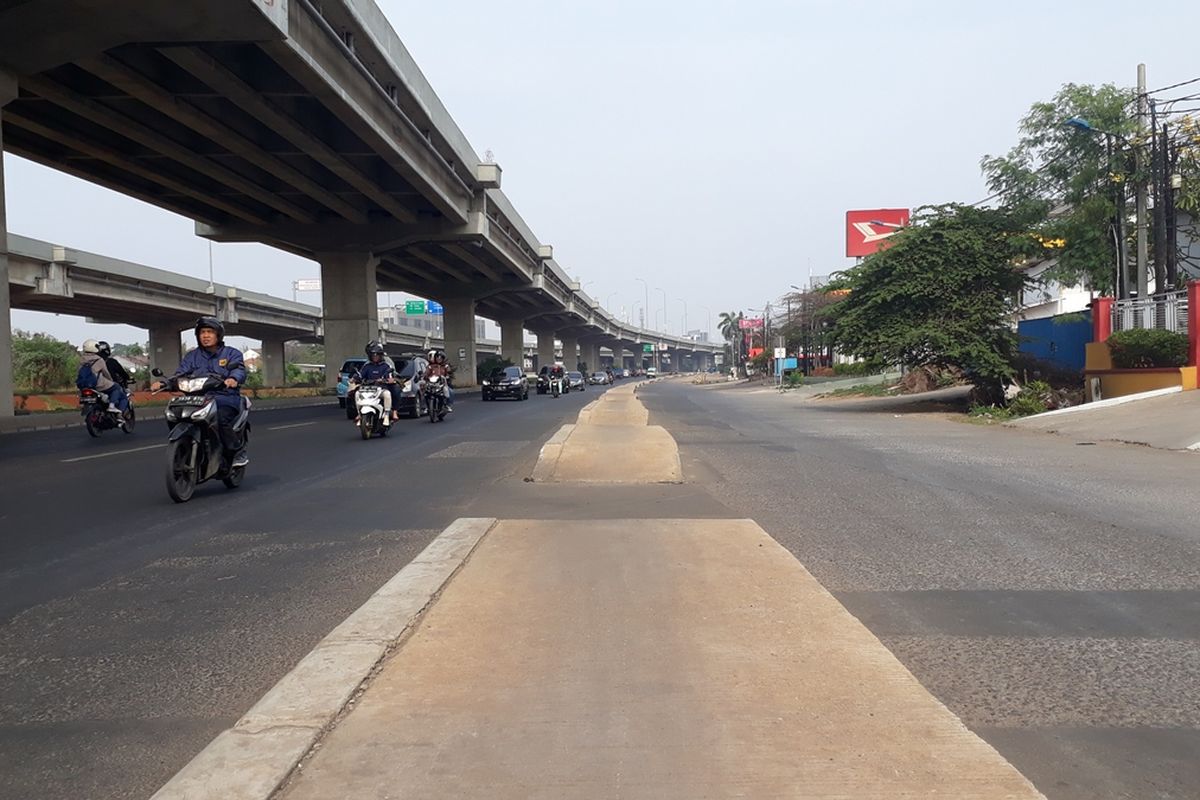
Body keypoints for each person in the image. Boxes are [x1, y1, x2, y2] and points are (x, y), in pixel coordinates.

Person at [153, 316, 249, 468]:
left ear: (218, 335)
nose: (205, 335)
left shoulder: (231, 354)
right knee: (175, 414)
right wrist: (165, 383)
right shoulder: (192, 356)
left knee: (221, 419)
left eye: (210, 332)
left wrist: (233, 378)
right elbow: (180, 374)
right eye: (202, 332)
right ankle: (185, 446)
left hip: (224, 397)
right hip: (197, 399)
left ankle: (237, 452)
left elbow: (239, 370)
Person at [78, 339, 131, 418]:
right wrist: (111, 381)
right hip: (98, 384)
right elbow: (106, 373)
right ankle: (112, 406)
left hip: (84, 384)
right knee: (116, 387)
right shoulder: (99, 360)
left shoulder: (82, 359)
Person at [355, 341, 399, 422]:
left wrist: (388, 380)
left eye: (376, 354)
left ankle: (388, 414)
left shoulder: (386, 364)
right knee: (357, 393)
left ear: (380, 354)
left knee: (390, 392)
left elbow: (391, 375)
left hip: (381, 389)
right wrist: (355, 378)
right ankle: (359, 414)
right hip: (368, 389)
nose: (375, 356)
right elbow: (361, 375)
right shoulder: (367, 366)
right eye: (373, 355)